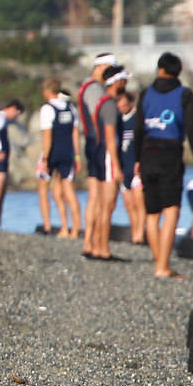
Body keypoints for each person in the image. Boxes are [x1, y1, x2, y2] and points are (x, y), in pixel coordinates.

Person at [134, 52, 193, 280]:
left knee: (152, 214)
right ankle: (162, 266)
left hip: (146, 152)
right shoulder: (185, 95)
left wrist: (135, 160)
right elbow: (192, 130)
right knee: (171, 209)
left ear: (160, 69)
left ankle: (159, 261)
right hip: (170, 152)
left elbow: (138, 129)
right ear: (177, 72)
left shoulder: (146, 94)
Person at [83, 64, 129, 261]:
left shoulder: (102, 102)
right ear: (116, 82)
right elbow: (111, 137)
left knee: (101, 203)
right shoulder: (109, 104)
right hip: (108, 156)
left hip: (99, 153)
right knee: (108, 205)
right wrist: (117, 167)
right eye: (124, 79)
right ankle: (103, 248)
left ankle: (95, 245)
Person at [74, 54, 115, 244]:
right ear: (99, 66)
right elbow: (96, 116)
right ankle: (95, 241)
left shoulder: (88, 86)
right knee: (99, 197)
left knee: (94, 196)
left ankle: (90, 241)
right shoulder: (95, 88)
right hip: (98, 143)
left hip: (91, 143)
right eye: (109, 66)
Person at [34, 80, 81, 237]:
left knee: (43, 188)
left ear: (48, 91)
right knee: (67, 191)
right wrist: (77, 155)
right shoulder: (71, 108)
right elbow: (75, 133)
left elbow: (47, 135)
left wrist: (45, 158)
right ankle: (74, 229)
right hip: (68, 153)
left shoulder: (47, 109)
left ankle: (49, 225)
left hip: (53, 152)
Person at [0, 99, 22, 231]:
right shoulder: (0, 118)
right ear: (12, 108)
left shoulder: (0, 118)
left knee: (1, 192)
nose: (17, 116)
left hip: (2, 158)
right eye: (18, 113)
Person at [116, 87, 145, 242]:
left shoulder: (138, 119)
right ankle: (135, 232)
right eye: (119, 106)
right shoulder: (117, 121)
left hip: (136, 168)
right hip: (123, 167)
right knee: (128, 204)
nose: (121, 108)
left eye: (124, 105)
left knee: (139, 202)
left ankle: (140, 234)